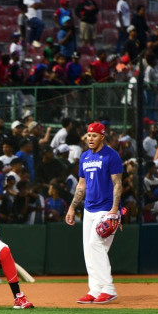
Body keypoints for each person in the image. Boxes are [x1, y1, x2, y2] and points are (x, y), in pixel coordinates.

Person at [65, 122, 122, 304]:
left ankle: (108, 288)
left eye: (95, 135)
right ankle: (95, 289)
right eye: (89, 135)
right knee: (89, 251)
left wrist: (114, 209)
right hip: (88, 209)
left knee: (95, 243)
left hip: (105, 209)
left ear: (102, 137)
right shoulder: (84, 157)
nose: (90, 138)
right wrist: (72, 207)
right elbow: (81, 186)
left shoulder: (111, 156)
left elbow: (118, 184)